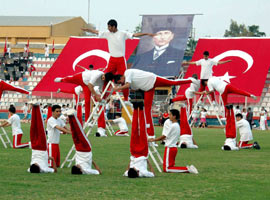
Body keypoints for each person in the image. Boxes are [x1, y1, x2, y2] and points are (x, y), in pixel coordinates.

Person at [82, 19, 154, 101]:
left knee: (124, 79)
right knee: (107, 77)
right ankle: (104, 96)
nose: (108, 29)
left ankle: (126, 98)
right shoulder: (107, 33)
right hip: (112, 59)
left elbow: (135, 34)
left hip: (120, 60)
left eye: (109, 27)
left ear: (114, 26)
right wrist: (87, 30)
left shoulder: (123, 34)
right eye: (108, 27)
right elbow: (95, 31)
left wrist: (147, 34)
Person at [113, 68, 191, 139]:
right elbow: (134, 88)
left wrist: (117, 89)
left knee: (171, 82)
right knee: (147, 110)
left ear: (121, 77)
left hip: (152, 79)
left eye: (120, 82)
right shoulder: (130, 82)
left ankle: (190, 80)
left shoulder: (127, 73)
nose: (121, 84)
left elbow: (127, 85)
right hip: (148, 88)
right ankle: (151, 135)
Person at [149, 109, 198, 173]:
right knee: (169, 166)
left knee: (167, 169)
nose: (169, 116)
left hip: (170, 147)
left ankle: (187, 169)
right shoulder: (177, 125)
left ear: (174, 116)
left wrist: (154, 140)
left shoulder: (173, 126)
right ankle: (187, 169)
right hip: (173, 147)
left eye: (170, 115)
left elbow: (164, 136)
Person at [123, 102, 155, 178]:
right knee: (138, 130)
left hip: (137, 153)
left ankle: (136, 108)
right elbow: (153, 174)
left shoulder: (131, 172)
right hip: (140, 153)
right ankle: (139, 109)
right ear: (137, 173)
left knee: (136, 130)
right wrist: (147, 161)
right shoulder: (143, 173)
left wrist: (148, 161)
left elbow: (153, 173)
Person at [67, 110, 101, 175]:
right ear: (80, 170)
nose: (77, 164)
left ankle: (72, 116)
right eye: (77, 166)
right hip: (79, 150)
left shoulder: (87, 171)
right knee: (75, 133)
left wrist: (93, 162)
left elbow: (99, 172)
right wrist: (91, 161)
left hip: (85, 150)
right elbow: (99, 172)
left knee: (79, 133)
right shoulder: (85, 171)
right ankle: (71, 117)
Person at [28, 104, 57, 173]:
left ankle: (36, 107)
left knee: (39, 128)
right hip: (35, 147)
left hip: (41, 147)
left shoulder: (43, 169)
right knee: (34, 128)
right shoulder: (34, 168)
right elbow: (55, 171)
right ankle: (35, 107)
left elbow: (55, 170)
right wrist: (52, 159)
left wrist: (52, 160)